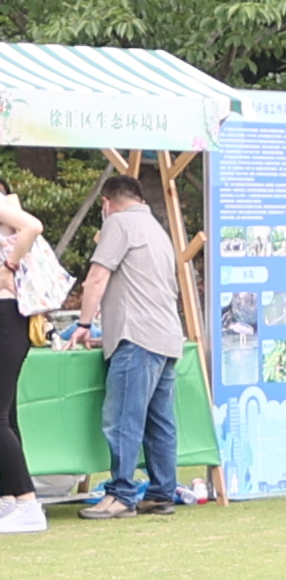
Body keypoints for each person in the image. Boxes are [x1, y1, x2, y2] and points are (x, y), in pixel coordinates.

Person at [76, 175, 185, 521]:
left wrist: (83, 324)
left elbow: (97, 277)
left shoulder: (118, 223)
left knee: (122, 419)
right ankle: (161, 493)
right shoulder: (157, 228)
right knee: (160, 423)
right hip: (166, 336)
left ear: (106, 203)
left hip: (136, 338)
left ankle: (121, 494)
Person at [0, 180, 43, 534]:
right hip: (9, 315)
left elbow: (33, 226)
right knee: (7, 415)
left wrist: (9, 265)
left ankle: (27, 503)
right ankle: (10, 499)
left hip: (6, 315)